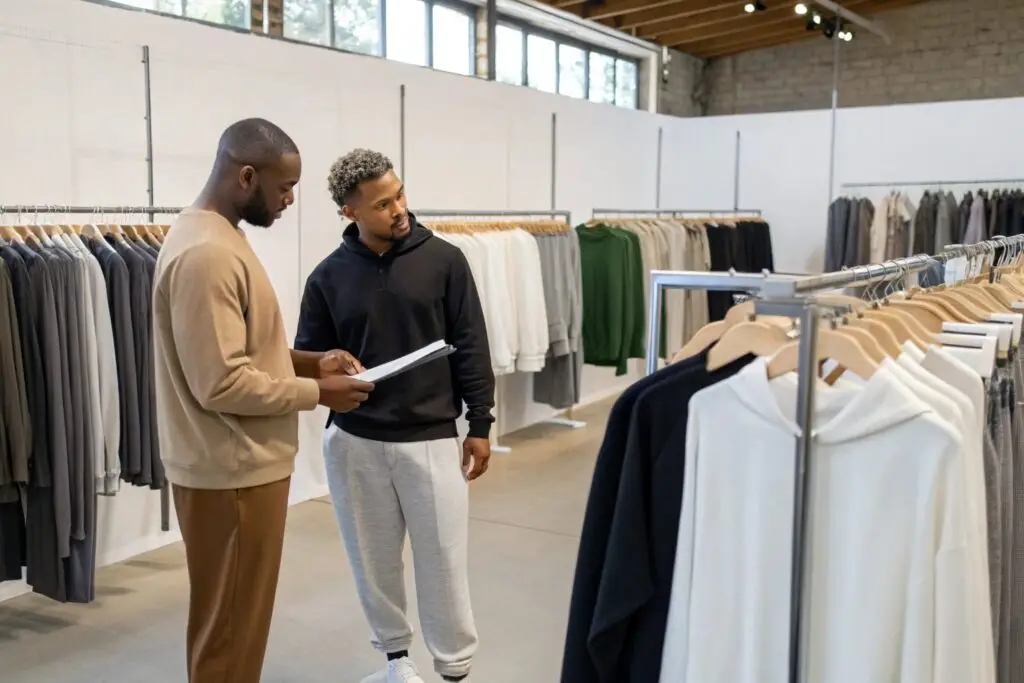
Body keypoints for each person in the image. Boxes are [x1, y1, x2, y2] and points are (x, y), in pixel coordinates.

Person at [152, 118, 375, 683]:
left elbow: (240, 352)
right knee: (230, 633)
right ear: (246, 176)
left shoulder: (217, 236)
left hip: (236, 469)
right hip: (233, 475)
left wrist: (310, 362)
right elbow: (222, 383)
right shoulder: (208, 254)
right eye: (283, 188)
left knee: (231, 625)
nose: (291, 200)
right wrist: (319, 392)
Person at [295, 148, 495, 683]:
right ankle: (395, 663)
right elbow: (308, 358)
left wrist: (480, 423)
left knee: (444, 563)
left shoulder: (446, 261)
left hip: (428, 437)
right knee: (372, 562)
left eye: (400, 193)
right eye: (382, 203)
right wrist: (328, 383)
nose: (399, 208)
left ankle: (454, 669)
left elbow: (471, 344)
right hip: (355, 443)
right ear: (350, 212)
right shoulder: (327, 277)